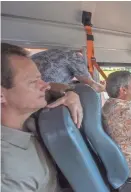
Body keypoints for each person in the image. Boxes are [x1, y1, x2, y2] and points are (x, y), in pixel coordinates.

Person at [1, 43, 84, 192]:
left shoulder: (28, 114)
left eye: (40, 78)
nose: (45, 85)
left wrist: (69, 93)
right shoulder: (7, 173)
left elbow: (53, 86)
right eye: (33, 82)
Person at [31, 48, 105, 93]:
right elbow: (92, 87)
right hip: (44, 92)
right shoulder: (75, 57)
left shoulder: (56, 52)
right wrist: (104, 88)